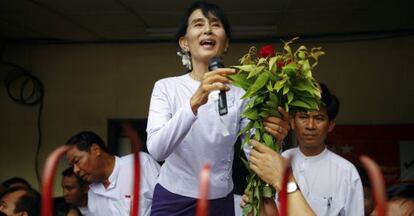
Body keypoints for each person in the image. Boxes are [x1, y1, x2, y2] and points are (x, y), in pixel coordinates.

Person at [146, 1, 290, 215]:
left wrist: (275, 139)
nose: (207, 30)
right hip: (173, 199)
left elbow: (254, 154)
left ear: (226, 43)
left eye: (215, 24)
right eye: (198, 24)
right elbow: (157, 150)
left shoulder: (241, 93)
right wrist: (194, 102)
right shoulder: (166, 87)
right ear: (184, 43)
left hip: (220, 200)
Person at [281, 83, 364, 215]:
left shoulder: (346, 172)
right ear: (292, 122)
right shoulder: (279, 162)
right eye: (303, 117)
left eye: (319, 118)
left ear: (330, 125)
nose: (310, 125)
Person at [65, 131, 160, 216]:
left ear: (95, 150)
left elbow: (170, 205)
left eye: (77, 161)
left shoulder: (140, 164)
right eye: (72, 165)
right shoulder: (92, 194)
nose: (75, 170)